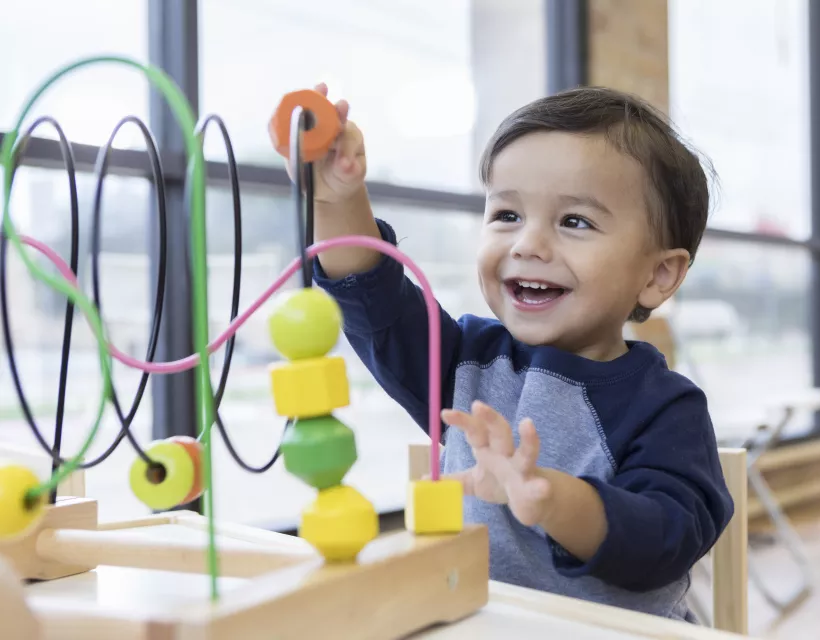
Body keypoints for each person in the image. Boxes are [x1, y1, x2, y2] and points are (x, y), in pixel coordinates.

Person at [300, 82, 734, 622]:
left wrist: (549, 498)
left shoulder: (666, 408)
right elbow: (373, 297)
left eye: (575, 221)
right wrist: (338, 198)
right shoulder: (465, 361)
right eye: (507, 215)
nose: (527, 244)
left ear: (657, 274)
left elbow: (666, 540)